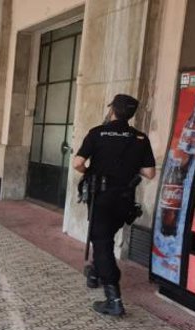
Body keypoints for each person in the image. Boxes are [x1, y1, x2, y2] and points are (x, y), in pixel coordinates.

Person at [72, 94, 156, 316]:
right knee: (106, 237)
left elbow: (77, 163)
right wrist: (128, 167)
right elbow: (149, 173)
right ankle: (95, 272)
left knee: (102, 244)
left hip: (100, 198)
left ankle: (114, 299)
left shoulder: (98, 132)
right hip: (124, 201)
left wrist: (89, 172)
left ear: (113, 111)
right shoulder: (140, 137)